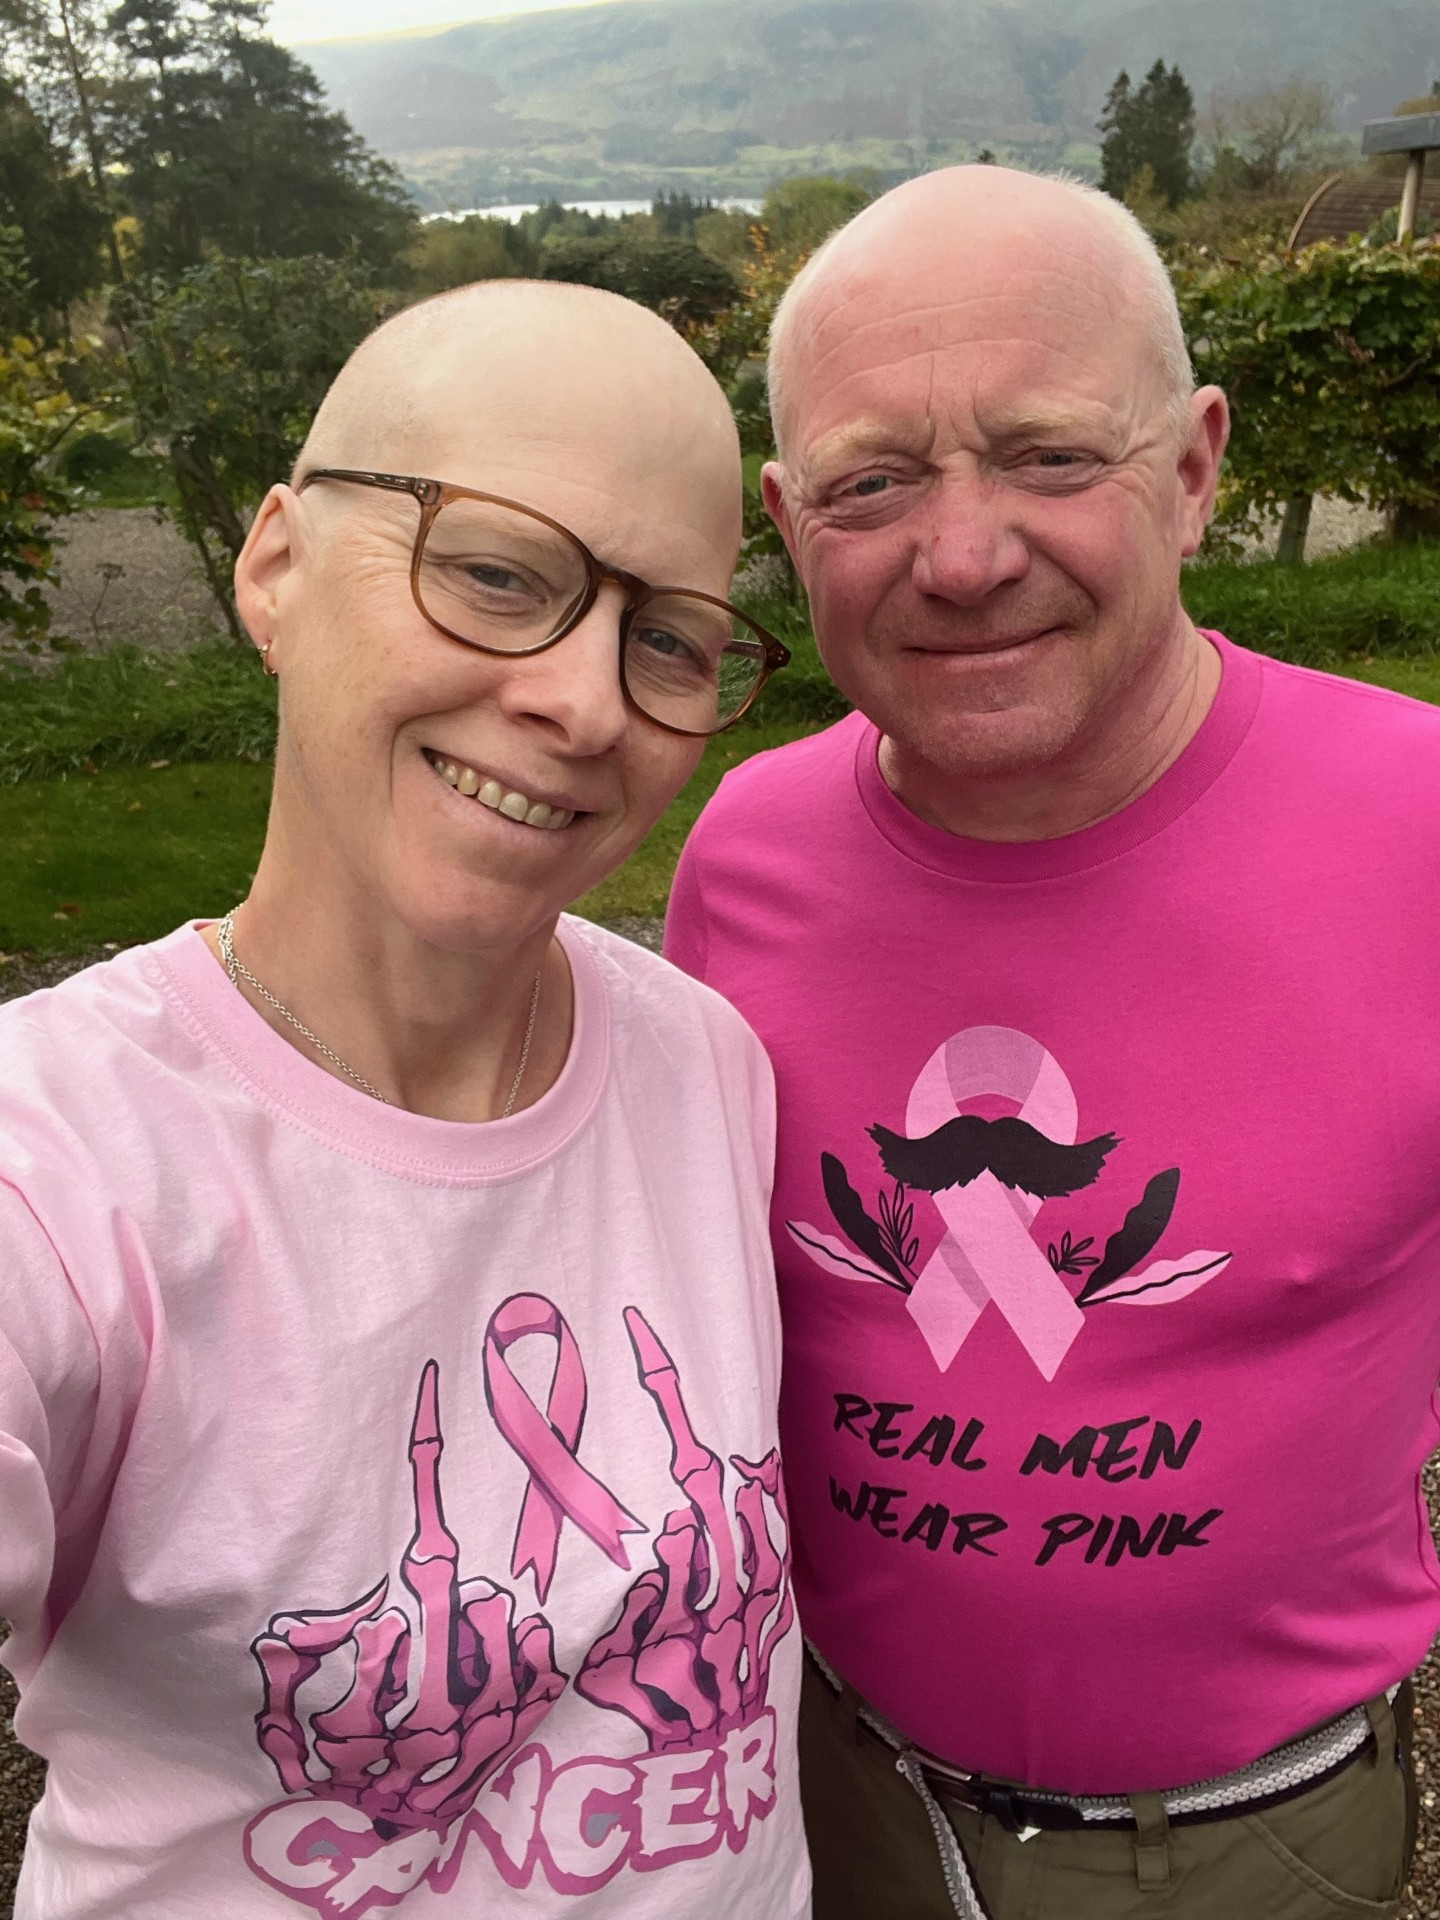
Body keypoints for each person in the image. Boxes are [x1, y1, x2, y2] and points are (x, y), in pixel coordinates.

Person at [665, 163, 1440, 1919]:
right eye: (875, 481)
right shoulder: (746, 852)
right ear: (789, 521)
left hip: (1247, 1844)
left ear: (1193, 468)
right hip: (817, 1786)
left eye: (1047, 453)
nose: (962, 553)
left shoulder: (1424, 830)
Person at [0, 280, 808, 1920]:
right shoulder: (60, 1168)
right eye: (499, 572)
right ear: (277, 564)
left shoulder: (706, 1066)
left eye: (667, 639)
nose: (584, 704)